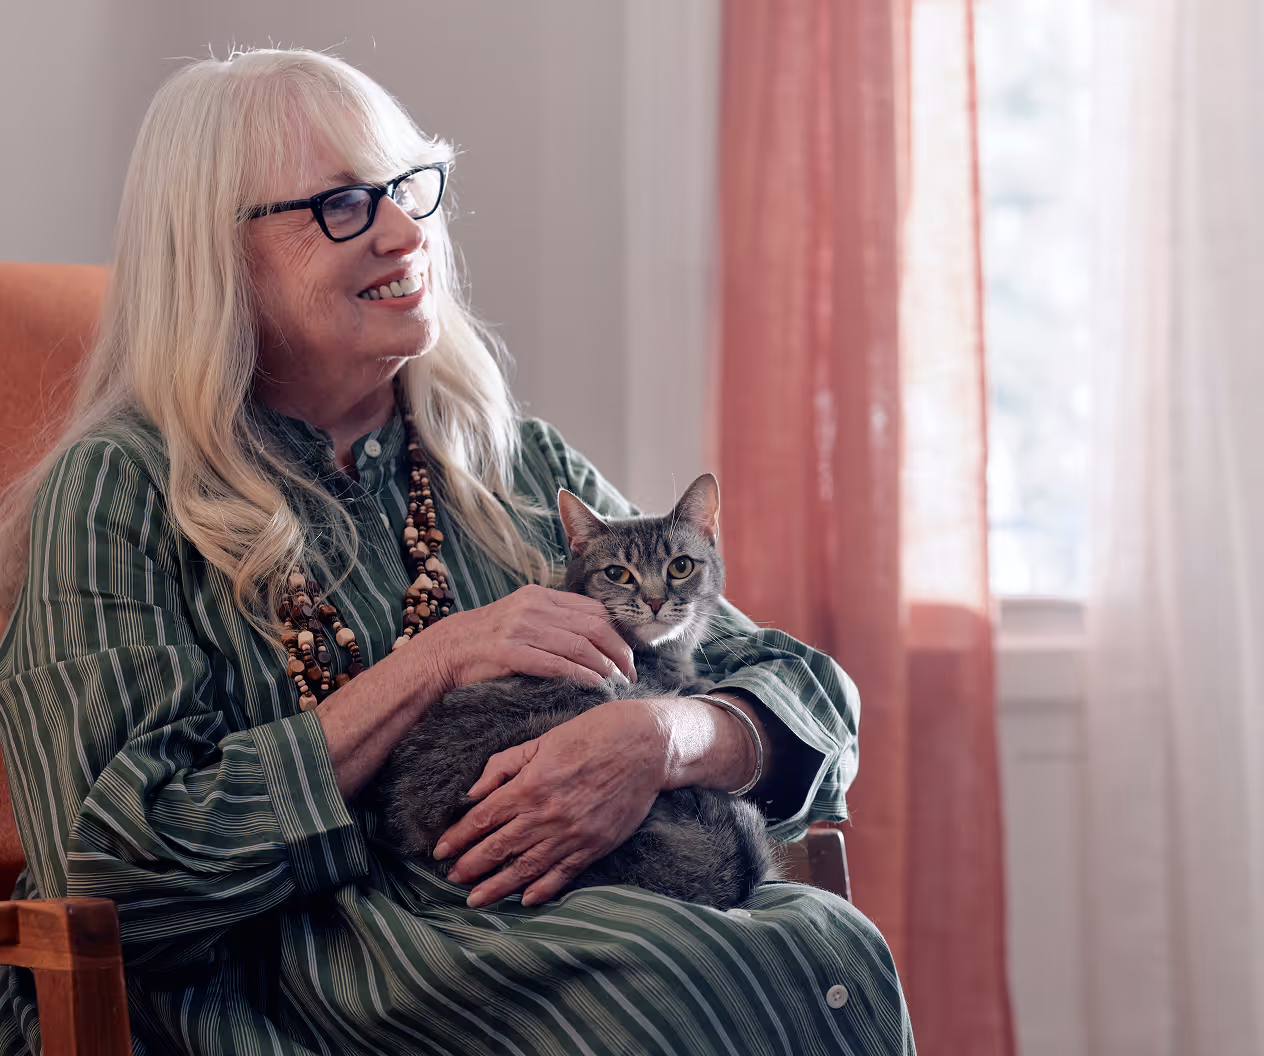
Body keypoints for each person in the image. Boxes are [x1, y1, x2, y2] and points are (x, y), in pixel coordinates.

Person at [0, 48, 914, 1055]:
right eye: (344, 203)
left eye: (409, 187)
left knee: (829, 954)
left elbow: (808, 698)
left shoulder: (511, 460)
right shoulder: (121, 487)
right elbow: (113, 867)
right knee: (674, 993)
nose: (405, 231)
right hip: (288, 981)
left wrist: (660, 739)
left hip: (541, 924)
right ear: (214, 253)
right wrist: (432, 663)